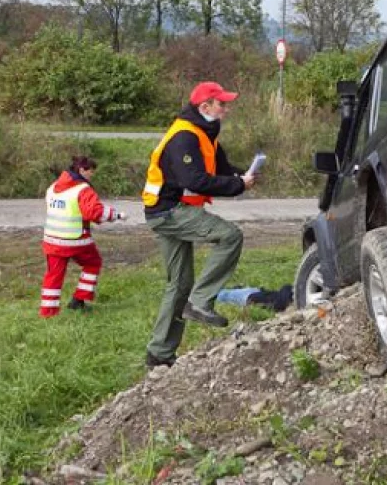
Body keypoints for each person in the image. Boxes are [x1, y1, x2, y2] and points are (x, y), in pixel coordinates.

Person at [142, 81, 266, 369]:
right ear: (204, 106)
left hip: (169, 210)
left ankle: (159, 354)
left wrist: (243, 175)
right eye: (221, 103)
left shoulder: (205, 133)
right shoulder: (184, 137)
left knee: (179, 284)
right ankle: (200, 302)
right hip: (169, 211)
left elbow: (221, 169)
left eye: (225, 103)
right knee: (230, 236)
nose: (226, 108)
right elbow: (193, 180)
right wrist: (237, 185)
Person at [40, 156, 126, 317]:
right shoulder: (83, 189)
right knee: (93, 263)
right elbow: (95, 212)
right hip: (76, 240)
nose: (92, 175)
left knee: (53, 275)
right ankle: (79, 299)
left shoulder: (52, 187)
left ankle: (48, 312)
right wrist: (116, 215)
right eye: (91, 172)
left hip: (52, 240)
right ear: (81, 170)